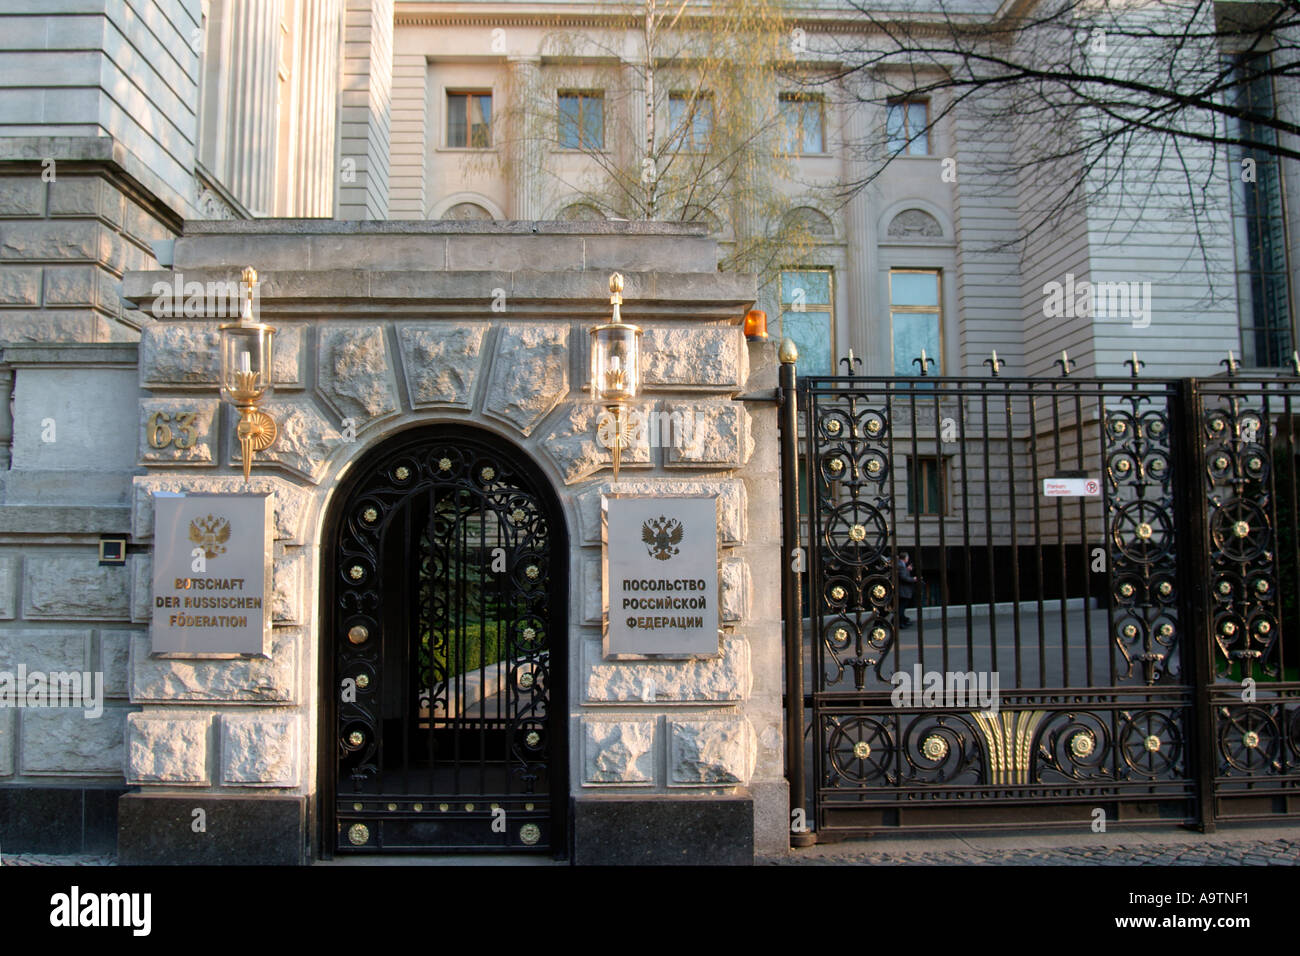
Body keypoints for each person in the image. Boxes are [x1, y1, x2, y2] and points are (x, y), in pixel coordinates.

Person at [898, 553, 916, 627]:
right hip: (902, 590)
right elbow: (903, 577)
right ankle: (900, 622)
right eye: (907, 558)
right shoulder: (901, 565)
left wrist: (907, 569)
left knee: (902, 606)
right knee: (901, 607)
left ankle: (902, 620)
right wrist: (913, 579)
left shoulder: (902, 565)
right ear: (905, 558)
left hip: (903, 590)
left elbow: (903, 574)